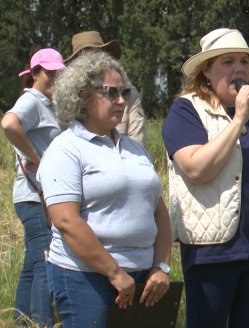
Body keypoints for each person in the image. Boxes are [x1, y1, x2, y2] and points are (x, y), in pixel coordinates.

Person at [162, 28, 249, 328]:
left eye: (244, 62)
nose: (240, 69)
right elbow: (197, 169)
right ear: (206, 71)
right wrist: (237, 121)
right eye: (228, 61)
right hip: (214, 251)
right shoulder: (187, 110)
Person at [36, 51, 173, 328]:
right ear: (83, 96)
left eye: (124, 92)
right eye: (110, 93)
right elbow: (66, 221)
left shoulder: (136, 150)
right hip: (85, 278)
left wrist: (161, 267)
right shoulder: (65, 149)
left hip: (142, 278)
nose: (121, 100)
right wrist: (114, 273)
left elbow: (159, 213)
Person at [1, 48, 65, 327]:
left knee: (31, 262)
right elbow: (8, 123)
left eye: (58, 73)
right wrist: (38, 158)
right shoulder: (33, 101)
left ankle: (22, 321)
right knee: (44, 260)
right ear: (35, 73)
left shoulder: (47, 103)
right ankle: (41, 323)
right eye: (49, 73)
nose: (54, 78)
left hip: (33, 195)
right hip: (34, 195)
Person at [66, 30, 147, 146]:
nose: (92, 64)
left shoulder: (128, 93)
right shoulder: (66, 98)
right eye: (86, 58)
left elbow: (137, 140)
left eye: (97, 56)